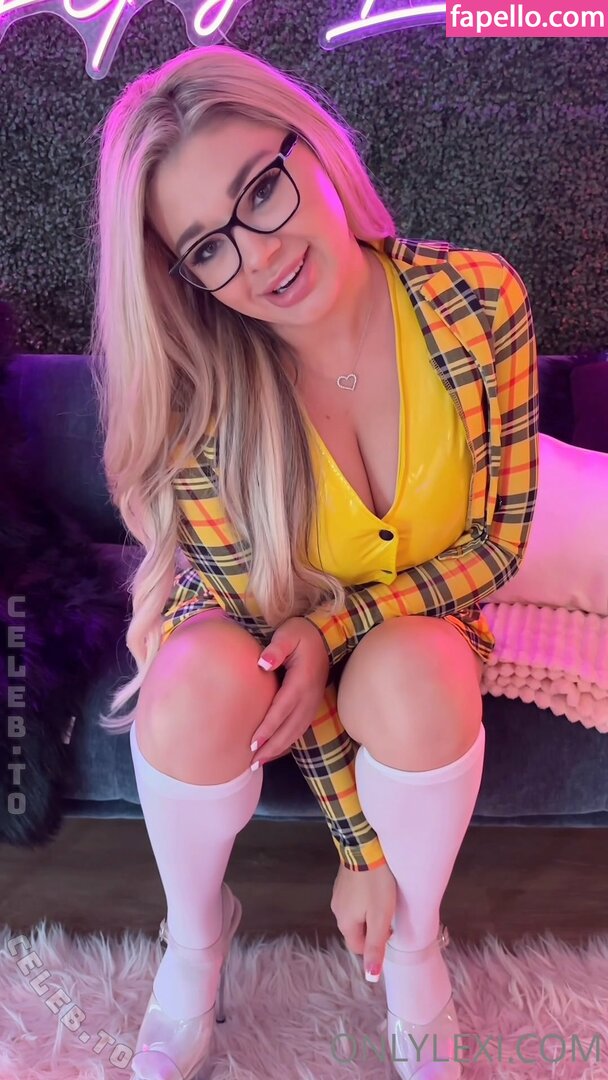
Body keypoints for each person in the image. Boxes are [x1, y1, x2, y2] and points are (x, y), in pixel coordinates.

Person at [88, 41, 539, 1080]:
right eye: (207, 249)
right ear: (184, 278)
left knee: (420, 670)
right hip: (252, 641)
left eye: (261, 189)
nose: (259, 255)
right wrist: (356, 849)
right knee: (191, 689)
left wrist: (337, 624)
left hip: (413, 635)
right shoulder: (201, 399)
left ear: (318, 148)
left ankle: (415, 945)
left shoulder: (478, 302)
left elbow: (497, 544)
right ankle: (194, 940)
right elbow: (270, 645)